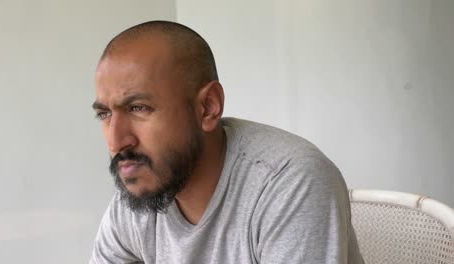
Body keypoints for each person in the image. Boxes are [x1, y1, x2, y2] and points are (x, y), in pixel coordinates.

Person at [90, 20, 364, 264]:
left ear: (208, 107)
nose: (117, 141)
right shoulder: (140, 194)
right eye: (104, 114)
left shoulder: (290, 182)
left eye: (139, 108)